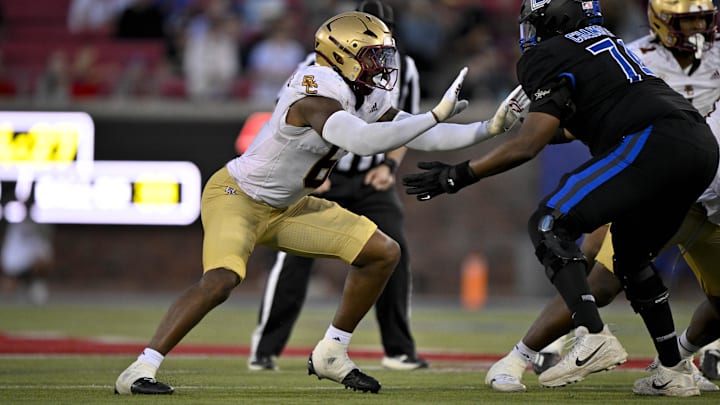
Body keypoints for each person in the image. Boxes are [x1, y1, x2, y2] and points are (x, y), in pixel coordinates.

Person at [114, 10, 523, 395]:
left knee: (382, 253)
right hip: (238, 197)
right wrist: (432, 116)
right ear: (343, 56)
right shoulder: (313, 86)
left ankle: (331, 351)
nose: (382, 65)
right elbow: (361, 140)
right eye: (373, 56)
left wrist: (489, 128)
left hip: (290, 207)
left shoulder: (365, 93)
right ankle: (140, 368)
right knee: (221, 281)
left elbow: (416, 136)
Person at [402, 0, 719, 397]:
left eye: (533, 24)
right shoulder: (604, 41)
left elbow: (529, 146)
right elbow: (571, 126)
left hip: (653, 140)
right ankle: (673, 369)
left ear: (552, 20)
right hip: (699, 147)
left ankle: (593, 334)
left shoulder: (549, 54)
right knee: (631, 258)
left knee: (550, 222)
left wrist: (457, 175)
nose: (529, 34)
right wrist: (521, 126)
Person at [248, 0, 429, 372]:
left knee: (395, 251)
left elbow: (404, 125)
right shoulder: (315, 68)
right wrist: (314, 170)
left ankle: (399, 348)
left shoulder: (402, 70)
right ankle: (266, 347)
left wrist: (389, 167)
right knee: (294, 255)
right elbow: (288, 114)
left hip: (370, 176)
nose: (383, 55)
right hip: (323, 177)